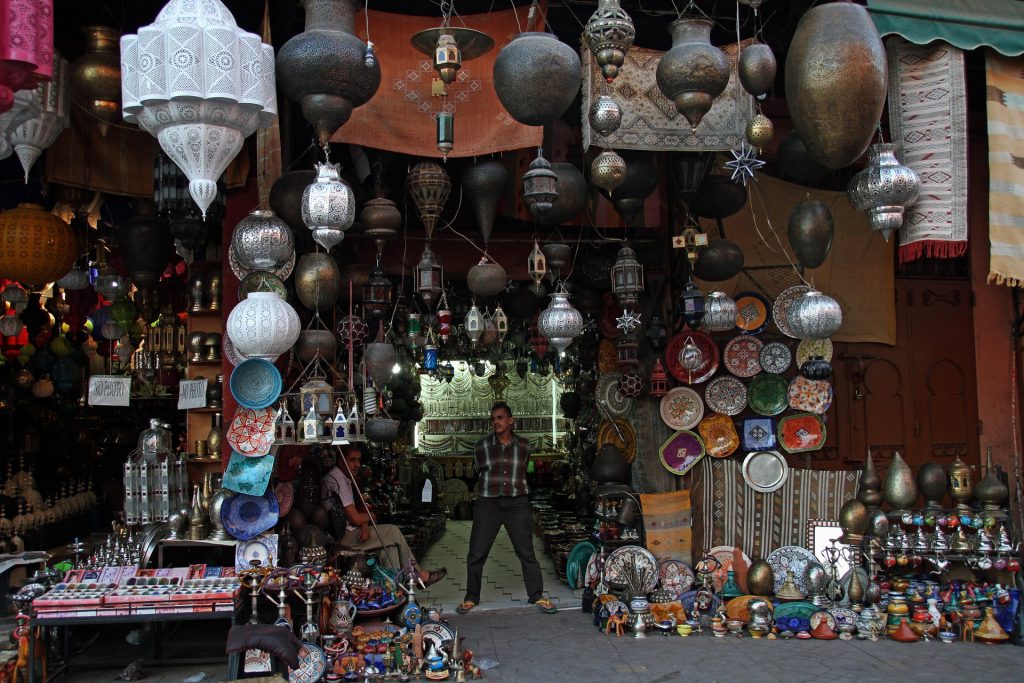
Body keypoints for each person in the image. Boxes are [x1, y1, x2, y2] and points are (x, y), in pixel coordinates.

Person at [456, 401, 557, 614]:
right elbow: (478, 470)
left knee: (526, 551)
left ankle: (536, 595)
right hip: (488, 502)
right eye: (493, 419)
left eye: (500, 418)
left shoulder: (524, 446)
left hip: (516, 502)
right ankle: (471, 596)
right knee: (476, 552)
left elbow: (523, 471)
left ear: (511, 421)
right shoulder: (481, 446)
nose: (496, 422)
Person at [322, 444, 446, 587]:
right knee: (393, 531)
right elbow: (355, 517)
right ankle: (418, 574)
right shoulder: (337, 479)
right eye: (352, 460)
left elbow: (356, 511)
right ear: (341, 461)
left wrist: (364, 524)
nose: (357, 465)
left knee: (390, 547)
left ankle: (395, 589)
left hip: (353, 531)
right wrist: (370, 516)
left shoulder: (345, 477)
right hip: (343, 538)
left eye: (358, 460)